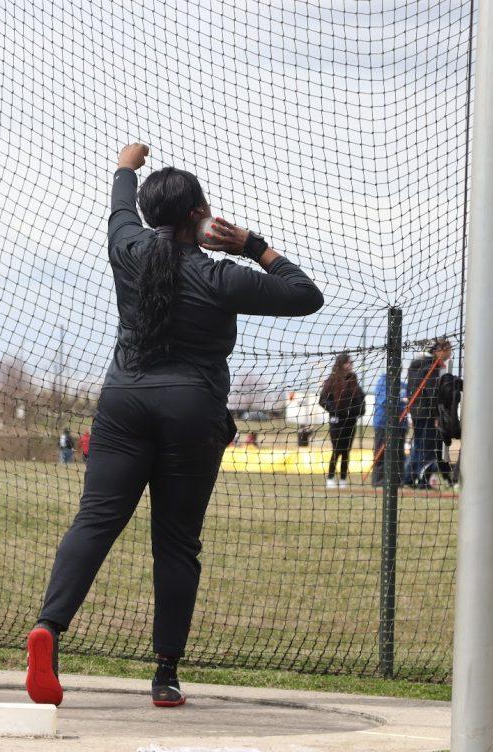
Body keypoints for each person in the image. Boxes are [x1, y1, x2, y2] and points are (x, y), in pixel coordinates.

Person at [27, 144, 323, 709]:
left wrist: (125, 167)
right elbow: (305, 295)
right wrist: (252, 246)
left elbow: (120, 211)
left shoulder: (128, 248)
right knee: (177, 542)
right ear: (199, 217)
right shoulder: (220, 275)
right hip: (191, 410)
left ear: (150, 216)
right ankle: (164, 676)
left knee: (95, 522)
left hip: (123, 401)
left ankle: (49, 628)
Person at [406, 337, 452, 487]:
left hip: (416, 411)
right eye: (448, 350)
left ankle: (409, 478)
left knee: (418, 446)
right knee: (427, 449)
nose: (449, 354)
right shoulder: (431, 366)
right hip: (427, 413)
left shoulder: (416, 365)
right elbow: (431, 392)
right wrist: (437, 415)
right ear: (439, 350)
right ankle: (422, 481)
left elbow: (410, 389)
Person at [319, 353, 364, 488]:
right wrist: (335, 411)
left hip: (350, 421)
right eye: (348, 363)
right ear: (341, 364)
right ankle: (331, 478)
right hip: (337, 421)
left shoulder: (354, 380)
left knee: (346, 451)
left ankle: (343, 479)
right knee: (337, 449)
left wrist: (358, 411)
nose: (350, 365)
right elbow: (323, 400)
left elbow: (360, 398)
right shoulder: (332, 380)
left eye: (351, 363)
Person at [371, 371, 407, 487]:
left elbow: (409, 397)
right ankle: (378, 480)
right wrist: (401, 400)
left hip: (400, 424)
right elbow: (384, 401)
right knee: (381, 452)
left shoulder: (402, 384)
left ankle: (398, 480)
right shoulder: (383, 382)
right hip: (383, 423)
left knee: (398, 453)